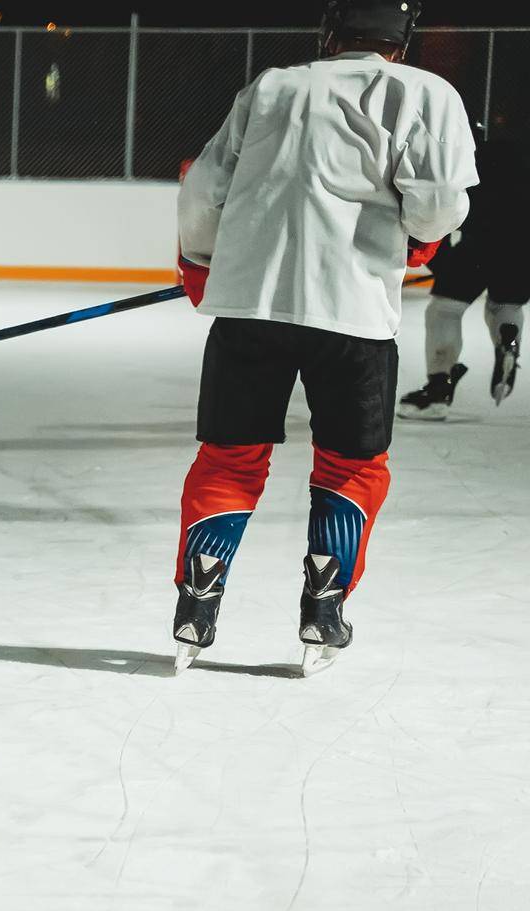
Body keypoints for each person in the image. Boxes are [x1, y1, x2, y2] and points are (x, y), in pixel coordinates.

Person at [171, 0, 476, 674]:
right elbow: (441, 202)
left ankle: (197, 602)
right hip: (354, 315)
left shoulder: (273, 86)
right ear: (402, 39)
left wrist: (199, 261)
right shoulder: (427, 93)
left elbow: (204, 193)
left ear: (331, 33)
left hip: (251, 308)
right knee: (350, 466)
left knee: (228, 458)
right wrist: (420, 237)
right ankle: (324, 610)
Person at [398, 128, 528, 419]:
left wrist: (439, 260)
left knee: (445, 310)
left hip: (477, 244)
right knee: (506, 305)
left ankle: (438, 389)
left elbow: (446, 207)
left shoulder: (471, 160)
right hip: (522, 249)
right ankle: (509, 339)